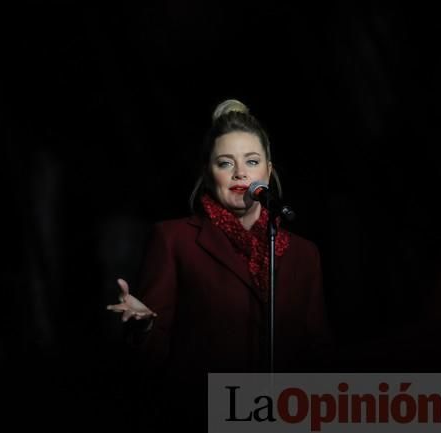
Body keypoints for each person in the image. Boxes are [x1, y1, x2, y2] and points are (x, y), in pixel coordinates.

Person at [106, 99, 333, 430]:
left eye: (251, 161)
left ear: (267, 172)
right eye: (225, 163)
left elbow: (318, 351)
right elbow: (152, 359)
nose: (240, 172)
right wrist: (144, 327)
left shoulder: (303, 254)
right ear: (207, 173)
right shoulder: (174, 239)